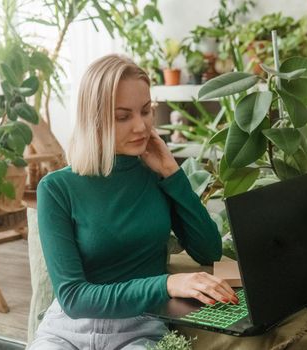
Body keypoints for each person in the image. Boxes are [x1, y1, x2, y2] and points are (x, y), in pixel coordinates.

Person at [30, 54, 238, 350]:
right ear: (95, 120)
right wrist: (165, 285)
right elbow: (74, 297)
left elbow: (209, 250)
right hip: (66, 331)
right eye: (123, 116)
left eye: (145, 111)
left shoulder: (156, 177)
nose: (141, 127)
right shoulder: (56, 188)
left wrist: (172, 174)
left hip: (140, 328)